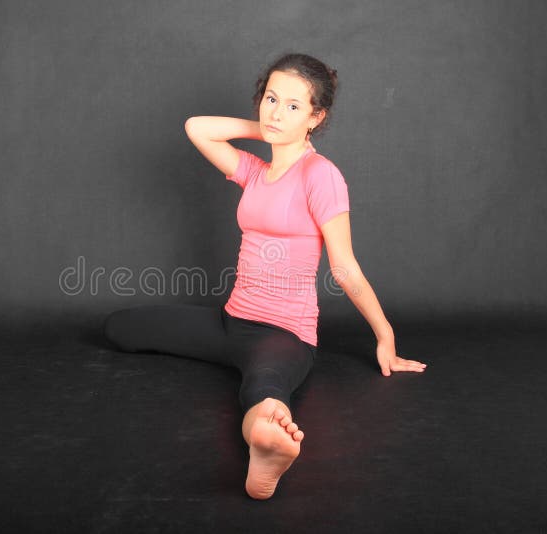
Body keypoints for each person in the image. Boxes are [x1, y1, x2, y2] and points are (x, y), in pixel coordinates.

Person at [102, 52, 427, 500]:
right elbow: (197, 127)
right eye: (271, 99)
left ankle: (265, 445)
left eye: (295, 106)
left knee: (265, 389)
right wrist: (273, 128)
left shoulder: (321, 176)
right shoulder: (257, 172)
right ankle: (255, 406)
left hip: (285, 334)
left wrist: (385, 335)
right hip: (230, 322)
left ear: (318, 116)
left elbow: (344, 266)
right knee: (121, 327)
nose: (277, 111)